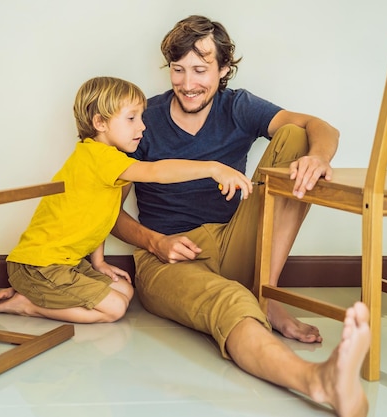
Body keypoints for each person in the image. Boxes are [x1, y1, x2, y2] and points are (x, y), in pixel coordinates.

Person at [110, 16, 370, 416]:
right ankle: (317, 381)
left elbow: (323, 127)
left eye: (200, 70)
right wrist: (153, 242)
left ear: (223, 70)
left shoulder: (238, 106)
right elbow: (108, 212)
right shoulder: (144, 119)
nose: (188, 83)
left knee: (297, 136)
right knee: (230, 300)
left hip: (235, 238)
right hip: (169, 256)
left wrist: (317, 158)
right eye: (178, 70)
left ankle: (266, 292)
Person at [0, 76, 253, 324]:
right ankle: (26, 304)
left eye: (140, 117)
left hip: (65, 263)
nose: (142, 126)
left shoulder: (107, 160)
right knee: (114, 309)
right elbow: (155, 171)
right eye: (131, 118)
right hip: (39, 265)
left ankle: (36, 294)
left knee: (125, 291)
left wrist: (99, 262)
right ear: (100, 123)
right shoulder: (100, 157)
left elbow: (99, 216)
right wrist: (212, 168)